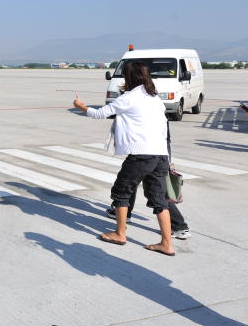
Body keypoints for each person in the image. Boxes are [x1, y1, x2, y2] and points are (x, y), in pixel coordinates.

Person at [72, 61, 174, 256]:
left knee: (121, 192)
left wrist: (81, 107)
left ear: (130, 77)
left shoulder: (130, 97)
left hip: (141, 154)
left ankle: (120, 233)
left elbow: (100, 113)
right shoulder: (154, 98)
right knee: (159, 199)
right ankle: (167, 244)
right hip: (160, 154)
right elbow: (163, 127)